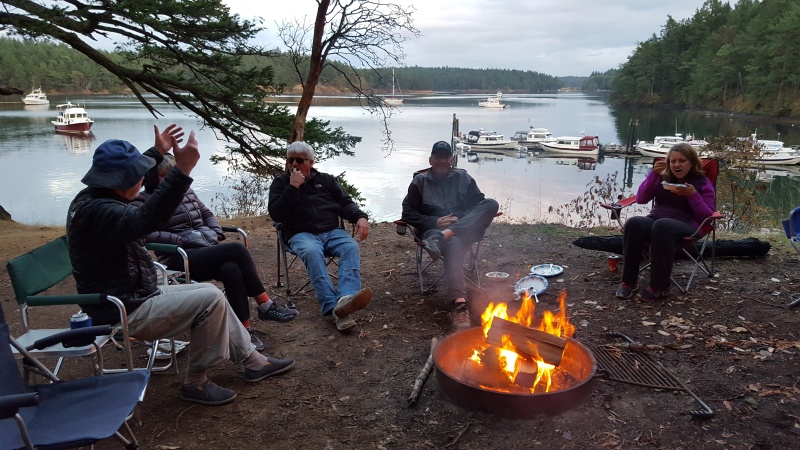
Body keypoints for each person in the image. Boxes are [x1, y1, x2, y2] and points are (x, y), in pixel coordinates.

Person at [66, 124, 295, 406]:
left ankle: (254, 361)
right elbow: (146, 220)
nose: (142, 179)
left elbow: (138, 201)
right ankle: (196, 383)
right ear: (125, 181)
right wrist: (182, 170)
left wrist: (158, 152)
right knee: (209, 297)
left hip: (135, 295)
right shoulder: (102, 211)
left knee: (210, 294)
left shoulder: (92, 199)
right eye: (138, 174)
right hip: (120, 309)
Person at [134, 154, 299, 352]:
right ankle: (265, 304)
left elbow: (207, 214)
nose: (171, 181)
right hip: (178, 257)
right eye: (166, 176)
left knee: (231, 269)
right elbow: (146, 234)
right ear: (152, 178)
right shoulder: (142, 201)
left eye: (173, 175)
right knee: (236, 249)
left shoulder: (186, 191)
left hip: (205, 250)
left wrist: (215, 231)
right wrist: (180, 239)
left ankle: (244, 331)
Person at [267, 141, 372, 332]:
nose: (295, 164)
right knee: (311, 251)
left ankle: (346, 298)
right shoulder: (281, 184)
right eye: (291, 160)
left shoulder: (327, 180)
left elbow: (346, 203)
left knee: (350, 246)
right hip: (300, 234)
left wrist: (360, 217)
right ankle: (333, 307)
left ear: (311, 162)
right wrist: (293, 188)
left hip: (331, 231)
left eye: (300, 160)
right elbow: (276, 214)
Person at [401, 140, 500, 330]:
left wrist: (458, 218)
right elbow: (407, 213)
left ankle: (445, 235)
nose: (442, 161)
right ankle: (459, 304)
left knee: (492, 203)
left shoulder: (463, 177)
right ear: (431, 160)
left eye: (445, 157)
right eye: (438, 157)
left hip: (464, 229)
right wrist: (434, 222)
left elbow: (479, 204)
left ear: (451, 160)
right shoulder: (420, 182)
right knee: (453, 242)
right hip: (432, 231)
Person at [615, 142, 715, 301]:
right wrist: (653, 175)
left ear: (692, 162)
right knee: (634, 223)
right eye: (673, 161)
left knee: (662, 226)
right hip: (656, 219)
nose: (677, 164)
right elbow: (641, 199)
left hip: (688, 224)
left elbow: (707, 215)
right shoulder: (662, 176)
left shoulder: (702, 182)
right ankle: (628, 281)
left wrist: (692, 195)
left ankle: (660, 286)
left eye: (682, 161)